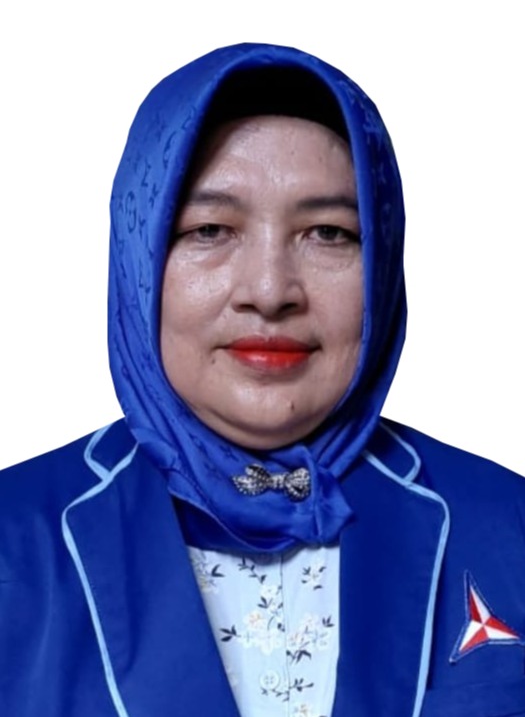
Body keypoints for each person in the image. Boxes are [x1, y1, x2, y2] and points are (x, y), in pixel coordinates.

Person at [1, 43, 524, 717]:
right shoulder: (13, 540)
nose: (270, 291)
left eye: (328, 232)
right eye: (210, 229)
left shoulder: (509, 528)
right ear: (137, 260)